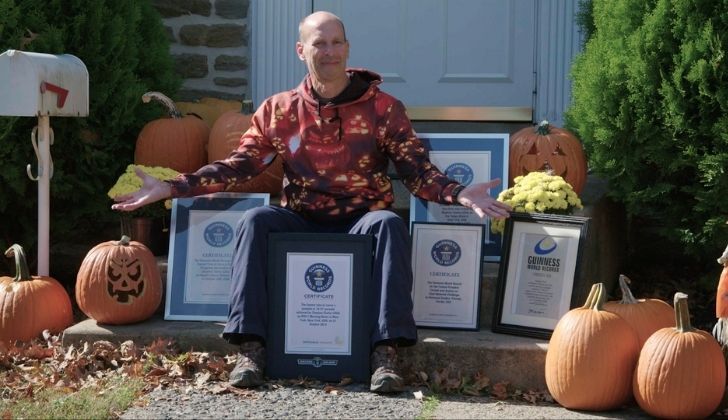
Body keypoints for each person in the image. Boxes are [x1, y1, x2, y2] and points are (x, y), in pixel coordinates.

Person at [112, 11, 511, 393]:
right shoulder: (279, 110)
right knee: (255, 220)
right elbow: (240, 166)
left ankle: (384, 355)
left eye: (337, 42)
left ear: (348, 49)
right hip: (300, 220)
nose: (330, 51)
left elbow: (416, 171)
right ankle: (251, 349)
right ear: (301, 50)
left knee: (389, 223)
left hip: (363, 220)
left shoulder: (384, 108)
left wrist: (458, 192)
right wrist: (174, 186)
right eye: (320, 43)